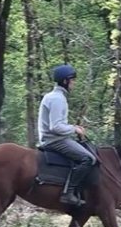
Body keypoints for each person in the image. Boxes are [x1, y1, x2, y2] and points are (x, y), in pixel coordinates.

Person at [37, 64, 97, 206]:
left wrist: (74, 128)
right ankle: (68, 193)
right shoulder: (58, 99)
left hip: (53, 137)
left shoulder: (52, 96)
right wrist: (74, 129)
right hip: (54, 140)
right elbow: (56, 126)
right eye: (72, 80)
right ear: (65, 81)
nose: (74, 83)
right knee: (88, 159)